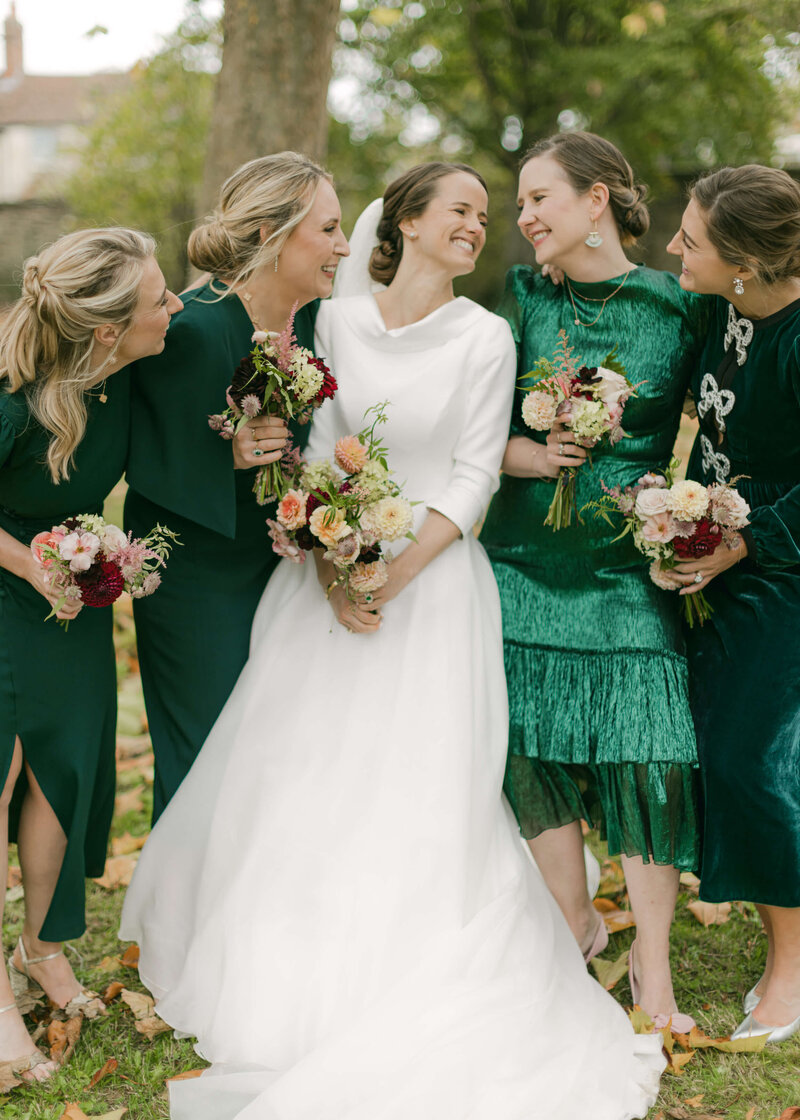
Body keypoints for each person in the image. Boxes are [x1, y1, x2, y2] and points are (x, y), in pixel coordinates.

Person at [121, 161, 665, 1120]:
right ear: (406, 220)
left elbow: (471, 475)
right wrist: (335, 566)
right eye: (459, 210)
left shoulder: (486, 336)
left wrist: (392, 571)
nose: (477, 226)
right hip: (322, 579)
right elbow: (320, 435)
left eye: (485, 217)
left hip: (434, 588)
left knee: (419, 787)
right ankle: (289, 957)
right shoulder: (333, 325)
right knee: (305, 774)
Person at [480, 132, 707, 1030]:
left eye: (540, 197)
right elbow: (462, 437)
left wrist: (698, 519)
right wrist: (524, 453)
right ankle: (573, 925)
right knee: (525, 751)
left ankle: (654, 971)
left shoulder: (681, 307)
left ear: (598, 199)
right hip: (522, 562)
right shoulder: (523, 298)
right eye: (522, 201)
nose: (525, 216)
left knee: (648, 756)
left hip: (627, 569)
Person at [0, 227, 181, 1079]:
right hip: (8, 591)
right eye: (158, 300)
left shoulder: (122, 383)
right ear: (107, 329)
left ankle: (41, 948)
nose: (173, 308)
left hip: (66, 610)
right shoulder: (9, 393)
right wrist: (32, 565)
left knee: (62, 775)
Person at [124, 151, 349, 820]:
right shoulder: (189, 329)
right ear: (267, 235)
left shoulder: (309, 324)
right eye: (329, 228)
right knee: (208, 751)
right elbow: (140, 456)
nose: (343, 246)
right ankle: (185, 914)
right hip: (195, 578)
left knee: (272, 746)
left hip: (277, 566)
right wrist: (224, 458)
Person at [665, 165, 800, 1042]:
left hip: (786, 575)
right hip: (717, 566)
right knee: (719, 752)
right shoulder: (718, 313)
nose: (676, 246)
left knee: (753, 761)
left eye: (693, 239)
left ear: (744, 262)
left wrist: (742, 544)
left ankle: (793, 970)